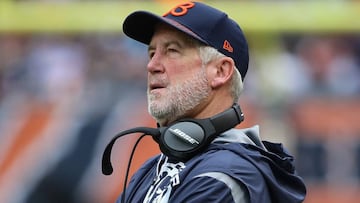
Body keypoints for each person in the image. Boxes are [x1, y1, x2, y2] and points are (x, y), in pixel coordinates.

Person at [114, 1, 306, 202]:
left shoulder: (224, 177)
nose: (152, 65)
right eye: (152, 53)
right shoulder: (152, 170)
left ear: (220, 71)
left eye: (172, 51)